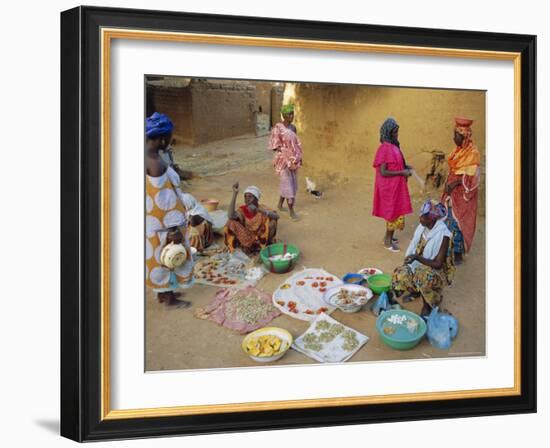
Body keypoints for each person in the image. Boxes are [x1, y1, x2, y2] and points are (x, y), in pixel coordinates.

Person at [145, 112, 194, 307]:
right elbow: (165, 202)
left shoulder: (147, 156)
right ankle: (170, 299)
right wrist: (174, 230)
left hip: (152, 223)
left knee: (159, 258)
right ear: (162, 138)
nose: (170, 142)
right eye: (170, 138)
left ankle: (163, 294)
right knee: (170, 258)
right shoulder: (155, 164)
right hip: (165, 225)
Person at [391, 200, 455, 315]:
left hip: (435, 271)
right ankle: (415, 291)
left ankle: (429, 304)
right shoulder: (422, 228)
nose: (420, 217)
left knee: (423, 276)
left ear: (431, 219)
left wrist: (417, 258)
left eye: (423, 216)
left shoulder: (443, 235)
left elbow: (438, 264)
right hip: (419, 264)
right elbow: (414, 246)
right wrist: (411, 259)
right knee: (401, 272)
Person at [442, 117, 481, 264]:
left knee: (460, 223)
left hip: (464, 196)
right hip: (452, 194)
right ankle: (448, 251)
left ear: (464, 136)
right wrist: (448, 184)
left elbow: (473, 178)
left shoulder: (473, 153)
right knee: (449, 220)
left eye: (456, 135)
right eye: (454, 134)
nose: (454, 138)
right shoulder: (457, 151)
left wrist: (456, 183)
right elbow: (453, 170)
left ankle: (458, 254)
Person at [372, 117, 413, 252]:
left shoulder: (394, 146)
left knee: (396, 211)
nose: (396, 135)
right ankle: (388, 242)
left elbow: (395, 164)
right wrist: (402, 172)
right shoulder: (385, 148)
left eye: (397, 132)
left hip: (396, 186)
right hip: (389, 188)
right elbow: (383, 171)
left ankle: (387, 237)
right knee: (393, 213)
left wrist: (405, 167)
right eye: (395, 132)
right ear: (388, 132)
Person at [268, 104, 303, 220]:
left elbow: (296, 144)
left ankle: (279, 204)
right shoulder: (277, 128)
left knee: (289, 183)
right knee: (288, 184)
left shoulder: (293, 128)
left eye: (292, 113)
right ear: (283, 115)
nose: (291, 116)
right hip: (283, 161)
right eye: (288, 114)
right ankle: (292, 211)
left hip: (292, 161)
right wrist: (285, 153)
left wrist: (298, 156)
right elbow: (274, 146)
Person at [224, 183, 279, 253]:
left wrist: (258, 210)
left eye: (250, 197)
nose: (247, 199)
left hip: (261, 239)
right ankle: (242, 246)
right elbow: (230, 215)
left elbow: (277, 216)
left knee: (272, 221)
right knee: (230, 222)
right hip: (247, 238)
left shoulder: (262, 208)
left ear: (256, 199)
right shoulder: (243, 210)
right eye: (245, 197)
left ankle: (263, 247)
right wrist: (235, 194)